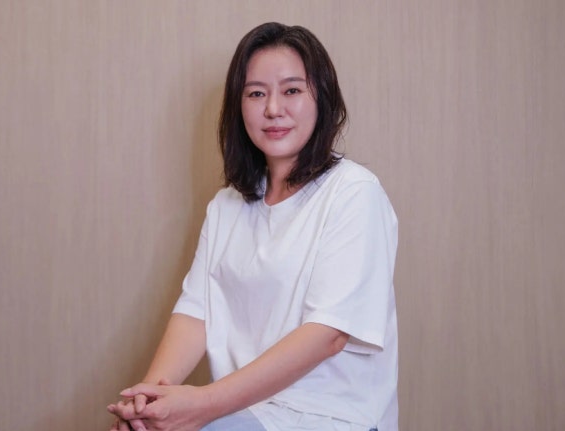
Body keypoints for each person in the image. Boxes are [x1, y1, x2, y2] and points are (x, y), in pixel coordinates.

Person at [107, 22, 399, 431]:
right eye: (256, 93)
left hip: (329, 417)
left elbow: (328, 334)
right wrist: (147, 402)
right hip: (244, 414)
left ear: (323, 98)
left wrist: (203, 405)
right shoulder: (226, 205)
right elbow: (197, 312)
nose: (273, 109)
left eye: (292, 90)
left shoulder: (354, 192)